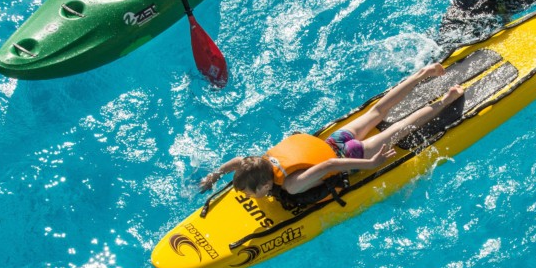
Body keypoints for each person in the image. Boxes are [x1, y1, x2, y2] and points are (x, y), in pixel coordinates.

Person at [199, 63, 464, 199]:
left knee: (400, 127)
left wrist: (371, 163)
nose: (249, 197)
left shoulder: (291, 185)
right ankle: (421, 75)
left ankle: (446, 101)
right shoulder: (261, 162)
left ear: (266, 185)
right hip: (334, 139)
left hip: (352, 151)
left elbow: (330, 165)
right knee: (377, 112)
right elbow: (238, 163)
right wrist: (215, 176)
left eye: (249, 193)